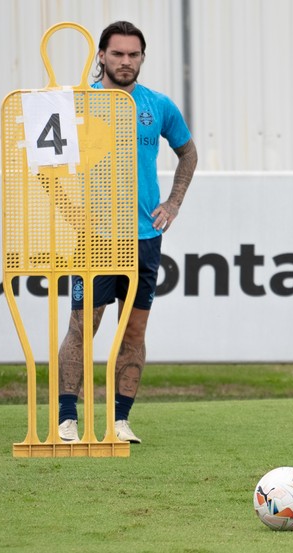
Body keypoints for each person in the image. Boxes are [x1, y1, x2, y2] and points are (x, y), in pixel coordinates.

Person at [57, 21, 198, 444]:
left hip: (144, 237)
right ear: (100, 56)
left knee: (134, 330)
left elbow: (188, 152)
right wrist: (69, 211)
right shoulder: (77, 104)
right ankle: (67, 418)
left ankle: (120, 421)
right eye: (117, 54)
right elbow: (44, 163)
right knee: (84, 326)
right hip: (96, 235)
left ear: (141, 58)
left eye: (133, 54)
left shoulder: (157, 105)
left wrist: (173, 203)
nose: (125, 61)